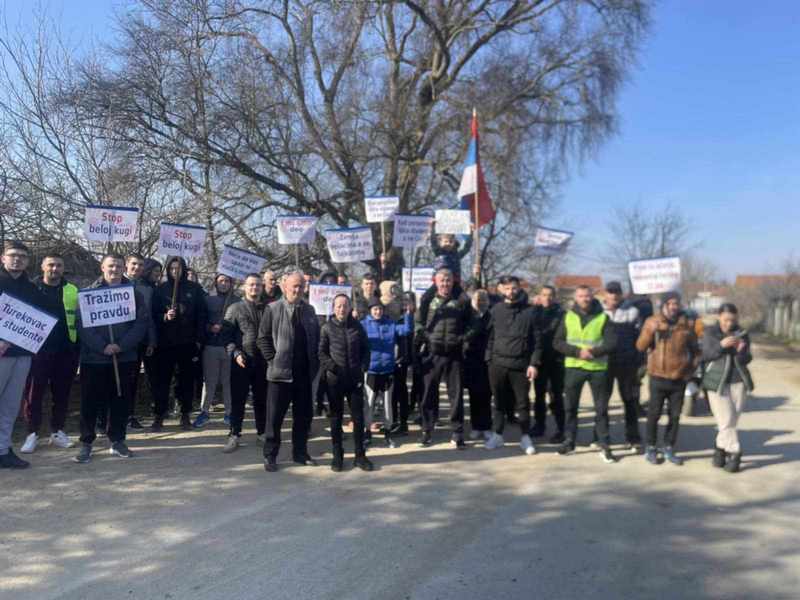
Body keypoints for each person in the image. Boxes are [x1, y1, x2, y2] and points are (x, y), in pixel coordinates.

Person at [73, 254, 148, 463]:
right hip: (94, 358)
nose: (114, 269)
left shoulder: (135, 294)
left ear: (124, 267)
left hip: (124, 357)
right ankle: (86, 442)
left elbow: (141, 323)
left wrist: (120, 345)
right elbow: (82, 325)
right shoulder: (87, 293)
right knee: (90, 402)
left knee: (121, 400)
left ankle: (117, 440)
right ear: (102, 267)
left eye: (118, 266)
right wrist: (102, 346)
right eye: (110, 265)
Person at [257, 271, 320, 472]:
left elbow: (317, 339)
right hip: (279, 375)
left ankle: (300, 453)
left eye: (300, 286)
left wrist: (315, 365)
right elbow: (263, 338)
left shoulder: (310, 311)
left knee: (303, 417)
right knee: (274, 418)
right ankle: (270, 455)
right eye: (294, 286)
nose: (297, 290)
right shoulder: (273, 309)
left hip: (303, 374)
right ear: (284, 287)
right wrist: (272, 360)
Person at [20, 253, 79, 454]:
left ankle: (57, 431)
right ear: (43, 267)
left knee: (62, 394)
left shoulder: (72, 290)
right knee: (33, 394)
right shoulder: (31, 289)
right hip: (37, 350)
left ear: (64, 268)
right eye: (51, 265)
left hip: (66, 349)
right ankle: (32, 433)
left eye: (59, 266)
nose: (55, 269)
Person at [553, 285, 618, 463]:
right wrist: (577, 352)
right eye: (581, 296)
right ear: (576, 298)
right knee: (570, 408)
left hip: (598, 369)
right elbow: (557, 342)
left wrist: (594, 352)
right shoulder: (567, 316)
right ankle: (569, 441)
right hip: (574, 367)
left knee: (601, 409)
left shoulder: (603, 317)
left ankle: (603, 443)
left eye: (587, 296)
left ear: (592, 297)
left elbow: (612, 343)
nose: (585, 299)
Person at [636, 291, 700, 466]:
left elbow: (696, 351)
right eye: (670, 303)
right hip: (657, 376)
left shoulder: (686, 324)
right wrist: (651, 331)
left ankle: (668, 447)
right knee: (653, 414)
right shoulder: (652, 321)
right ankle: (650, 447)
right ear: (663, 305)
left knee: (674, 416)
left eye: (676, 303)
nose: (673, 306)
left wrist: (690, 371)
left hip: (678, 378)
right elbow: (640, 346)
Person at [415, 268, 472, 448]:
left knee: (455, 396)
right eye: (442, 280)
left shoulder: (462, 301)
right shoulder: (427, 300)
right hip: (433, 354)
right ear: (435, 282)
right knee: (429, 394)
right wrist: (426, 336)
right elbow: (417, 323)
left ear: (453, 281)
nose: (445, 283)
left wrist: (463, 339)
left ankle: (457, 432)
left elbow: (473, 324)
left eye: (448, 280)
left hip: (454, 355)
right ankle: (427, 430)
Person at [0, 242, 45, 469]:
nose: (17, 259)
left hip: (23, 353)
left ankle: (3, 449)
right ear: (3, 258)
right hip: (1, 354)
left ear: (27, 261)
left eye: (22, 256)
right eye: (13, 255)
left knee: (9, 405)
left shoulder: (32, 288)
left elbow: (38, 322)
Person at [484, 276, 540, 455]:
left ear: (519, 288)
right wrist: (489, 359)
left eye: (514, 288)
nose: (511, 291)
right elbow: (490, 338)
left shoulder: (530, 311)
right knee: (498, 402)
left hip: (521, 365)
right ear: (501, 289)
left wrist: (533, 363)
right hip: (497, 365)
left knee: (522, 404)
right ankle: (497, 435)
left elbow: (537, 342)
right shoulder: (495, 310)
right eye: (507, 288)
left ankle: (525, 438)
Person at [151, 256, 207, 431]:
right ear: (168, 270)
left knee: (186, 381)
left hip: (187, 342)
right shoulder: (160, 289)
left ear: (184, 269)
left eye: (179, 268)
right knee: (162, 381)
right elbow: (153, 314)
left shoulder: (195, 289)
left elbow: (201, 315)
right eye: (172, 268)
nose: (176, 271)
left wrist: (199, 340)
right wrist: (164, 317)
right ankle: (159, 415)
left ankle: (185, 414)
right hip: (165, 343)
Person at [319, 294, 373, 471]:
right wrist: (334, 368)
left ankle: (360, 455)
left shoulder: (358, 327)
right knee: (336, 419)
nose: (342, 309)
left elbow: (366, 350)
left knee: (358, 418)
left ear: (350, 308)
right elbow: (321, 353)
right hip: (335, 381)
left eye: (345, 305)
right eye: (339, 306)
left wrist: (363, 367)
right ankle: (337, 456)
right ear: (333, 308)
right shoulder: (326, 328)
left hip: (355, 381)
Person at [701, 303, 753, 473]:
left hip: (739, 382)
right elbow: (705, 355)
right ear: (719, 317)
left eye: (732, 320)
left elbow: (747, 359)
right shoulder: (710, 333)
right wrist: (721, 346)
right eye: (725, 320)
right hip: (717, 383)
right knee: (725, 421)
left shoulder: (743, 334)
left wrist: (741, 351)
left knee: (730, 422)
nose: (729, 324)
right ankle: (735, 452)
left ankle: (719, 451)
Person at [222, 274, 268, 453]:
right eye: (251, 285)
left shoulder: (268, 309)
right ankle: (234, 434)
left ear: (261, 288)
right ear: (244, 287)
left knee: (262, 399)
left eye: (257, 285)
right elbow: (226, 336)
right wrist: (235, 353)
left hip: (263, 361)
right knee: (238, 400)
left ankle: (262, 433)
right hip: (241, 361)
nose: (254, 288)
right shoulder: (235, 308)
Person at [361, 296, 413, 448]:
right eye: (375, 309)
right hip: (371, 371)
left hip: (387, 370)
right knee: (369, 404)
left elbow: (406, 330)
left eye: (380, 309)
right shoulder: (363, 324)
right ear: (370, 311)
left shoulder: (390, 324)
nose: (378, 312)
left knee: (387, 405)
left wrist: (408, 314)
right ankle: (367, 433)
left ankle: (388, 434)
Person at [602, 281, 643, 452]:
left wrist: (640, 362)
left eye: (616, 292)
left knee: (630, 401)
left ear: (621, 294)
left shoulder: (633, 312)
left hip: (627, 364)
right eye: (610, 292)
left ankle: (633, 437)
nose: (613, 296)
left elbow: (640, 339)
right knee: (602, 402)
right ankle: (601, 437)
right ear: (605, 294)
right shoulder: (598, 312)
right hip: (604, 364)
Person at [194, 274, 236, 428]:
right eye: (221, 281)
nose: (224, 284)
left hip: (229, 347)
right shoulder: (207, 299)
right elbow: (200, 321)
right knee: (209, 382)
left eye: (227, 281)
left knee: (228, 382)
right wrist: (209, 328)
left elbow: (239, 325)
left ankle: (229, 412)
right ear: (216, 283)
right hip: (211, 345)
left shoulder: (237, 301)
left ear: (231, 283)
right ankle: (204, 412)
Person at [125, 253, 158, 430]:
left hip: (139, 340)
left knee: (133, 379)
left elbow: (150, 316)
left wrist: (152, 340)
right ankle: (105, 417)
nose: (137, 268)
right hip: (118, 339)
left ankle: (129, 415)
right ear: (126, 265)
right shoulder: (116, 283)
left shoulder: (147, 288)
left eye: (140, 265)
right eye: (133, 264)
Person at [417, 230, 473, 328]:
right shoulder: (438, 252)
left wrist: (471, 234)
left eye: (451, 241)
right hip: (439, 283)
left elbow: (467, 247)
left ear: (454, 243)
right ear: (440, 242)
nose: (448, 243)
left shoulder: (457, 255)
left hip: (454, 282)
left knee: (466, 300)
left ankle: (467, 323)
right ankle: (422, 322)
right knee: (425, 298)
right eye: (445, 241)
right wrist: (432, 228)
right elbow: (433, 242)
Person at [531, 285, 566, 443]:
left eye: (550, 295)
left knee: (556, 396)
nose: (547, 298)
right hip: (540, 360)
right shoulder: (534, 312)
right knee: (538, 395)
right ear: (540, 296)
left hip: (557, 360)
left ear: (555, 297)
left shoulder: (561, 314)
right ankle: (539, 425)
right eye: (544, 295)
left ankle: (561, 429)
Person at [463, 289, 492, 441]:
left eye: (483, 300)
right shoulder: (469, 316)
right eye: (477, 300)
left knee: (486, 395)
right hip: (472, 359)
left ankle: (486, 426)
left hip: (487, 360)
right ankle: (475, 426)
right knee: (474, 395)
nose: (480, 303)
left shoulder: (491, 316)